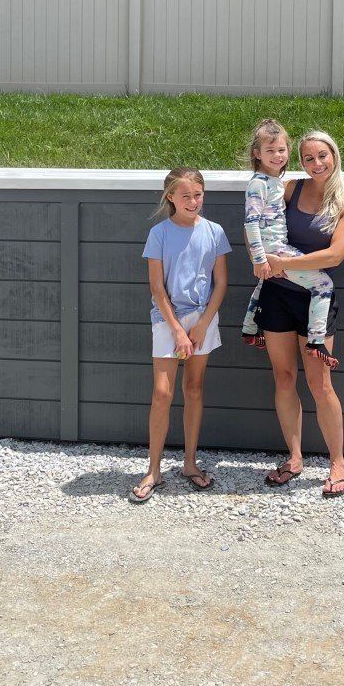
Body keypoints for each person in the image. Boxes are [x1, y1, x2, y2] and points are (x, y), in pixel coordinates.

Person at [257, 131, 344, 498]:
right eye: (308, 158)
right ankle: (295, 458)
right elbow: (258, 222)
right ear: (299, 161)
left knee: (320, 384)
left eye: (323, 156)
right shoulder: (290, 189)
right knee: (284, 378)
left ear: (334, 156)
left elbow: (334, 256)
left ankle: (337, 463)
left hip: (315, 303)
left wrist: (286, 262)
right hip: (276, 295)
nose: (316, 164)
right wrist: (260, 258)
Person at [131, 167, 231, 503]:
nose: (193, 201)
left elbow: (221, 284)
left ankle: (190, 463)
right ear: (170, 197)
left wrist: (202, 323)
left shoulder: (214, 232)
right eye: (185, 195)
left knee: (194, 387)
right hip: (167, 320)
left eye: (198, 194)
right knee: (162, 392)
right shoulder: (159, 234)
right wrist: (177, 330)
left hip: (203, 319)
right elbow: (157, 288)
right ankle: (154, 470)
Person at [239, 118, 339, 367]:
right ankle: (316, 340)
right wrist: (260, 258)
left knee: (266, 281)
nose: (277, 155)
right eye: (270, 151)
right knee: (323, 283)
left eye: (281, 150)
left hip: (276, 248)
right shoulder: (258, 185)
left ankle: (250, 328)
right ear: (257, 154)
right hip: (275, 248)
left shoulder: (275, 183)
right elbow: (250, 223)